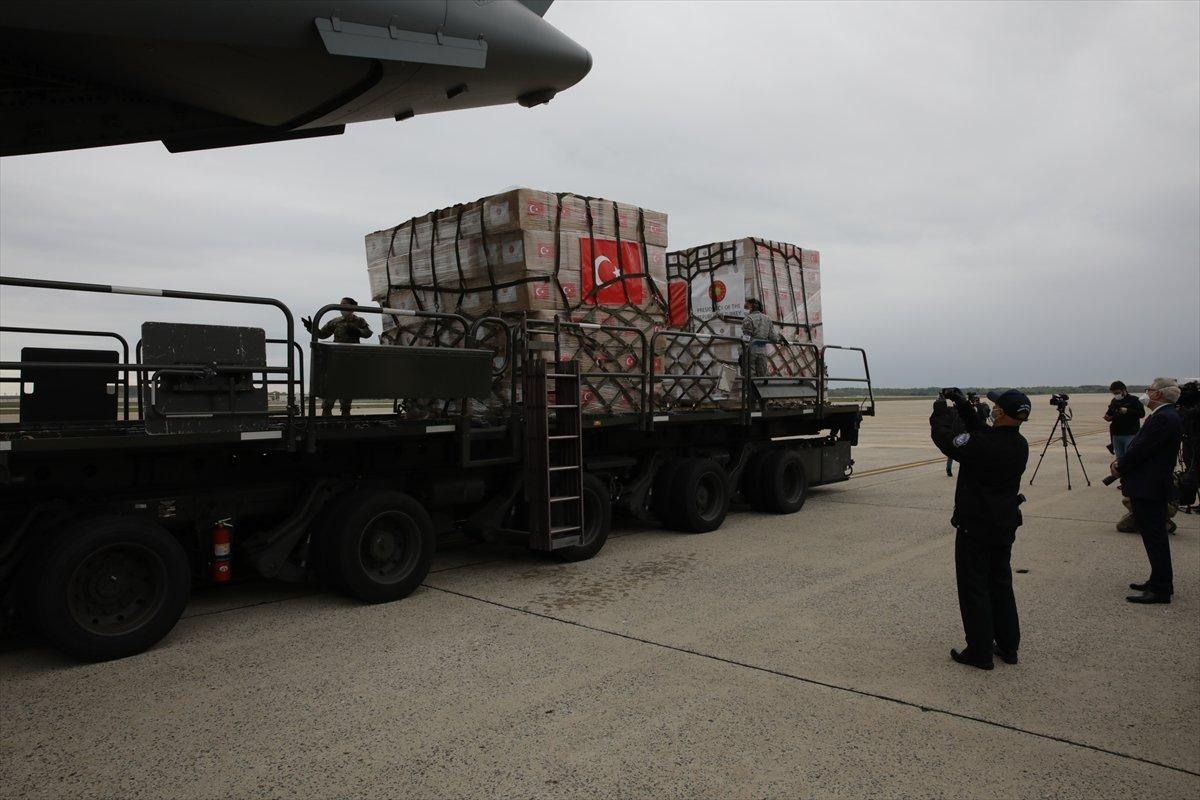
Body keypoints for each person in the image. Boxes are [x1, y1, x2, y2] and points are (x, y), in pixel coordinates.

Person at [930, 388, 1030, 670]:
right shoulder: (1018, 443)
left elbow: (946, 440)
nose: (993, 409)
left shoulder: (984, 445)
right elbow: (981, 432)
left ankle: (980, 651)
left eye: (996, 406)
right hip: (1003, 524)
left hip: (976, 526)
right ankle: (1009, 646)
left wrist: (940, 411)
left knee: (974, 587)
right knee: (1000, 584)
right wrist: (962, 405)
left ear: (999, 413)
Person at [1111, 377, 1183, 604]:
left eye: (1150, 389)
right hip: (1149, 483)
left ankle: (1161, 588)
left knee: (1155, 538)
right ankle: (1157, 580)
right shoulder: (1166, 415)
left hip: (1149, 485)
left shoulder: (1164, 418)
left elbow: (1141, 449)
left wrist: (1120, 466)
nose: (1147, 393)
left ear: (1159, 394)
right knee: (1154, 537)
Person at [302, 297, 373, 416]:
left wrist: (359, 332)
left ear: (352, 307)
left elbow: (368, 333)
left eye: (344, 304)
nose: (341, 306)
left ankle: (345, 416)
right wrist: (311, 327)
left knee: (347, 389)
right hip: (335, 359)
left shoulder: (360, 321)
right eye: (340, 304)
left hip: (352, 359)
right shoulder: (335, 321)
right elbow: (322, 334)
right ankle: (326, 414)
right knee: (331, 388)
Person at [1104, 380, 1144, 460]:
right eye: (1114, 393)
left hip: (1130, 434)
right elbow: (1110, 413)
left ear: (1124, 390)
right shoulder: (1114, 401)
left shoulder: (1134, 400)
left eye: (1117, 392)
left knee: (1130, 458)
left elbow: (1141, 414)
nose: (1116, 395)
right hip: (1116, 434)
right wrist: (1108, 417)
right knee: (1119, 458)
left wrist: (1128, 411)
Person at [742, 298, 779, 377]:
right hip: (762, 351)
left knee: (749, 376)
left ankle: (750, 389)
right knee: (762, 375)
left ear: (751, 307)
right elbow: (773, 338)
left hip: (750, 350)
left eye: (747, 306)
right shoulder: (767, 319)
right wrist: (780, 338)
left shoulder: (748, 319)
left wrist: (741, 352)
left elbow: (746, 338)